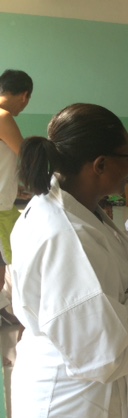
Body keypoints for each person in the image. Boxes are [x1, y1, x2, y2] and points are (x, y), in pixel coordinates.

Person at [9, 103, 128, 418]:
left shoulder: (76, 207)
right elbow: (104, 353)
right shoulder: (63, 234)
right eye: (127, 157)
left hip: (80, 383)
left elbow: (92, 280)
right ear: (99, 165)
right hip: (72, 405)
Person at [0, 70, 32, 319]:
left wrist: (14, 185)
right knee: (7, 262)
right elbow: (26, 156)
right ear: (25, 95)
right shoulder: (3, 117)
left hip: (5, 200)